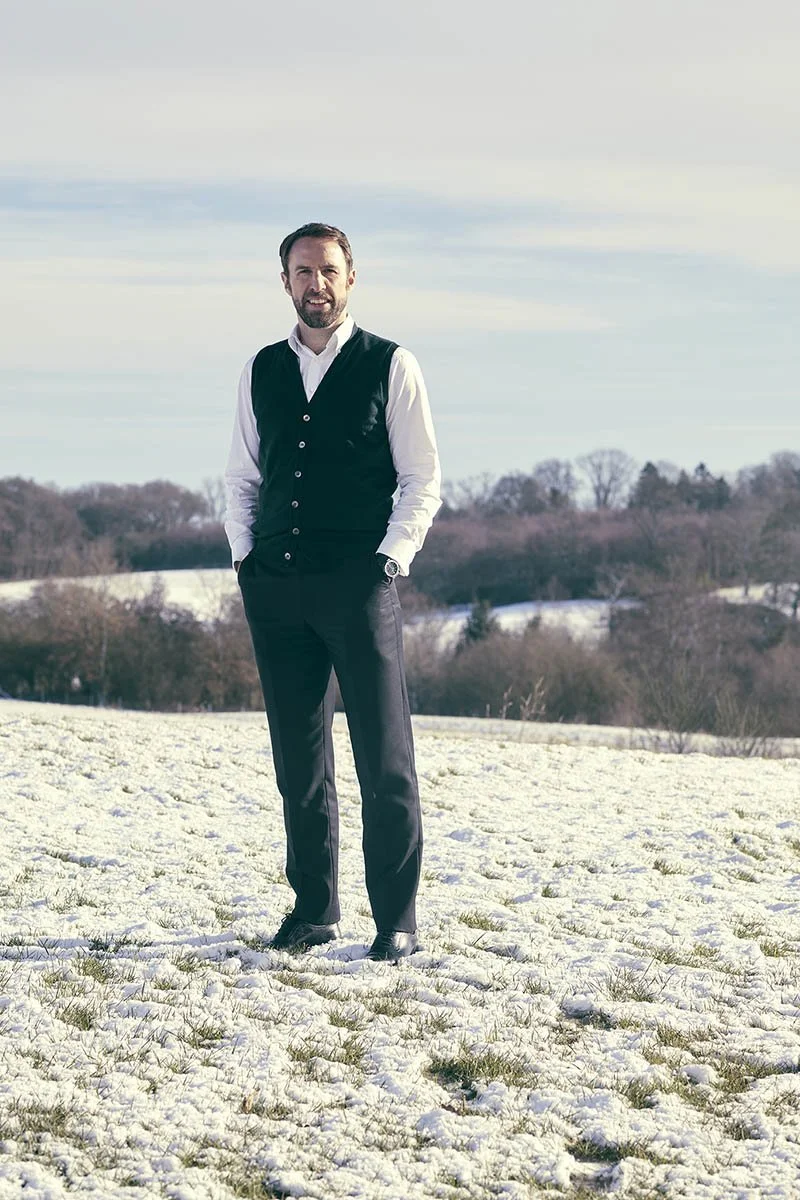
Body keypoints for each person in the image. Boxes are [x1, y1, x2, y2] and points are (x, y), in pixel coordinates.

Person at [223, 223, 441, 961]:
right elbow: (242, 477)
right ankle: (313, 909)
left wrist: (389, 561)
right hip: (276, 589)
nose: (315, 283)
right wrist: (245, 558)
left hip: (360, 587)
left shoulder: (391, 364)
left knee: (385, 760)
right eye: (302, 271)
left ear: (351, 278)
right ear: (283, 280)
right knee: (299, 762)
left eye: (328, 270)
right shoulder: (260, 369)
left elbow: (422, 480)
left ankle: (398, 922)